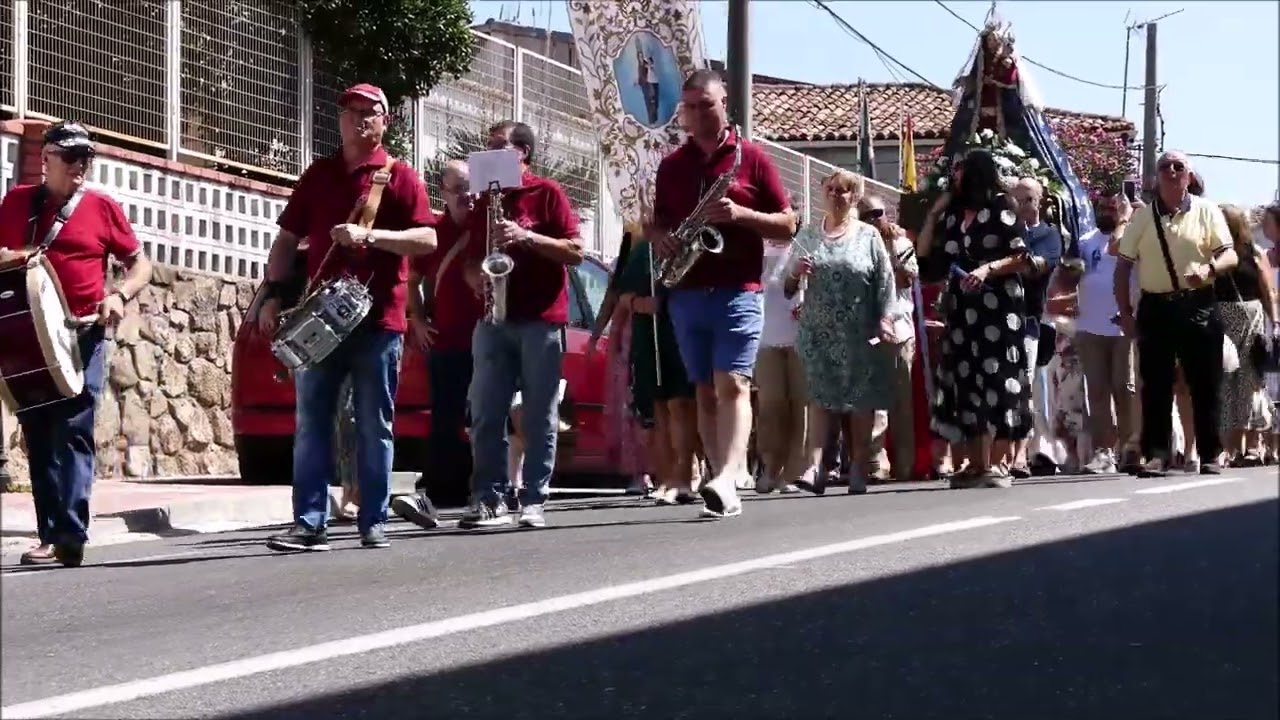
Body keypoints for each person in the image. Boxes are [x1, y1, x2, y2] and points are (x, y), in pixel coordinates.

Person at [258, 83, 437, 552]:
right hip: (322, 321)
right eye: (350, 110)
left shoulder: (400, 177)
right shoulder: (319, 175)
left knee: (374, 424)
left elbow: (427, 240)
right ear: (339, 119)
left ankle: (373, 521)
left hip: (379, 321)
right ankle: (309, 523)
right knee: (311, 422)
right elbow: (286, 239)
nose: (359, 118)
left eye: (369, 111)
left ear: (385, 121)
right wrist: (272, 294)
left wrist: (371, 238)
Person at [0, 121, 155, 567]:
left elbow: (139, 265)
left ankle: (69, 535)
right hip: (27, 337)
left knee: (73, 427)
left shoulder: (102, 207)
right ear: (46, 159)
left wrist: (119, 294)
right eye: (70, 157)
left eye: (85, 158)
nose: (79, 166)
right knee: (38, 431)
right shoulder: (15, 203)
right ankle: (50, 534)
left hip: (83, 333)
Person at [652, 69, 796, 519]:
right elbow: (657, 222)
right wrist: (662, 238)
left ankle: (730, 476)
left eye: (707, 106)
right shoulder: (672, 166)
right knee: (704, 390)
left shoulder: (751, 158)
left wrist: (741, 214)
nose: (698, 114)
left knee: (733, 382)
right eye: (690, 107)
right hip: (687, 289)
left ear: (724, 103)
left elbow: (789, 224)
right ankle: (719, 480)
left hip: (739, 289)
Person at [460, 120, 584, 530]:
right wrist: (475, 279)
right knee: (485, 411)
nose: (490, 152)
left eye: (498, 145)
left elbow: (575, 251)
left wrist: (526, 237)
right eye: (488, 145)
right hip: (493, 319)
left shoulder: (547, 193)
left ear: (521, 153)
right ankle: (489, 498)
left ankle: (534, 499)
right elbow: (469, 260)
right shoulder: (484, 200)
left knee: (538, 414)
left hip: (540, 321)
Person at [1115, 151, 1237, 477]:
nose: (1171, 171)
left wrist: (1209, 269)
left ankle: (1211, 453)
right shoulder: (1143, 217)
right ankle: (1156, 455)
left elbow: (1229, 255)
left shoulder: (1206, 211)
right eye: (1164, 166)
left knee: (1205, 383)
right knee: (1154, 384)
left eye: (1178, 166)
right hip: (1156, 307)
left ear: (1189, 176)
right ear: (1155, 177)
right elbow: (1123, 266)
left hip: (1199, 304)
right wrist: (1125, 312)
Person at [916, 149, 1032, 489]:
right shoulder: (953, 216)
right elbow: (925, 258)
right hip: (963, 311)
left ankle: (998, 463)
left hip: (999, 309)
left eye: (959, 169)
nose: (954, 176)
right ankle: (975, 463)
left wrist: (986, 270)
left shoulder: (1001, 207)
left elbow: (1021, 256)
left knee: (999, 380)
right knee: (967, 384)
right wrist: (934, 214)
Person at [785, 169, 896, 494]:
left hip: (858, 332)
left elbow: (885, 281)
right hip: (817, 332)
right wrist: (795, 272)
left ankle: (859, 463)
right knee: (819, 399)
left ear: (855, 197)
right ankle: (815, 466)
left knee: (859, 402)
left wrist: (885, 319)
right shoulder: (808, 234)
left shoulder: (868, 236)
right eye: (831, 189)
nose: (835, 195)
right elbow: (787, 287)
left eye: (843, 190)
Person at [392, 159, 478, 529]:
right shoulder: (434, 233)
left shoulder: (486, 229)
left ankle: (485, 486)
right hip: (447, 341)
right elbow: (411, 280)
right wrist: (419, 319)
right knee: (446, 415)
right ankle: (442, 490)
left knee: (485, 417)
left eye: (470, 188)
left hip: (487, 339)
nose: (466, 196)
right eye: (458, 189)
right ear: (443, 192)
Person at [616, 229, 699, 504]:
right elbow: (622, 295)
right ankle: (665, 478)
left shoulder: (687, 244)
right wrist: (640, 303)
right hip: (648, 337)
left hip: (679, 333)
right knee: (658, 409)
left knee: (681, 404)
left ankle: (685, 475)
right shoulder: (642, 251)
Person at [1074, 191, 1140, 474]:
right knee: (1097, 391)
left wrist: (1126, 220)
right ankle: (1104, 452)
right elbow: (1069, 275)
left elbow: (1117, 248)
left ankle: (1130, 448)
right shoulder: (1085, 241)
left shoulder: (1131, 237)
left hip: (1123, 325)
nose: (1105, 212)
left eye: (1112, 208)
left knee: (1124, 388)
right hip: (1089, 326)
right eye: (1101, 207)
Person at [860, 196, 920, 483]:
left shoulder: (901, 243)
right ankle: (875, 462)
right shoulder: (855, 245)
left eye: (877, 213)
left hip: (899, 330)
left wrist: (887, 255)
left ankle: (904, 464)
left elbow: (907, 278)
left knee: (900, 402)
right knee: (871, 402)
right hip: (867, 331)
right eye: (865, 215)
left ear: (887, 214)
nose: (872, 219)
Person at [1214, 203, 1277, 466]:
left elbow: (1267, 291)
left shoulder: (1254, 252)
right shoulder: (1211, 252)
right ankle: (1228, 448)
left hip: (1251, 318)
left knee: (1250, 383)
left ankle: (1251, 446)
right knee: (1225, 383)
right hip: (1221, 320)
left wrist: (1275, 323)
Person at [1008, 177, 1063, 476]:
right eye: (1017, 200)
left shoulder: (1049, 235)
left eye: (1029, 199)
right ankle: (1005, 453)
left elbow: (1034, 268)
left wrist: (1013, 260)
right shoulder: (1005, 230)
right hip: (1002, 319)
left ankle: (1025, 453)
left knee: (1027, 388)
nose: (1023, 206)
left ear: (1040, 201)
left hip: (1031, 321)